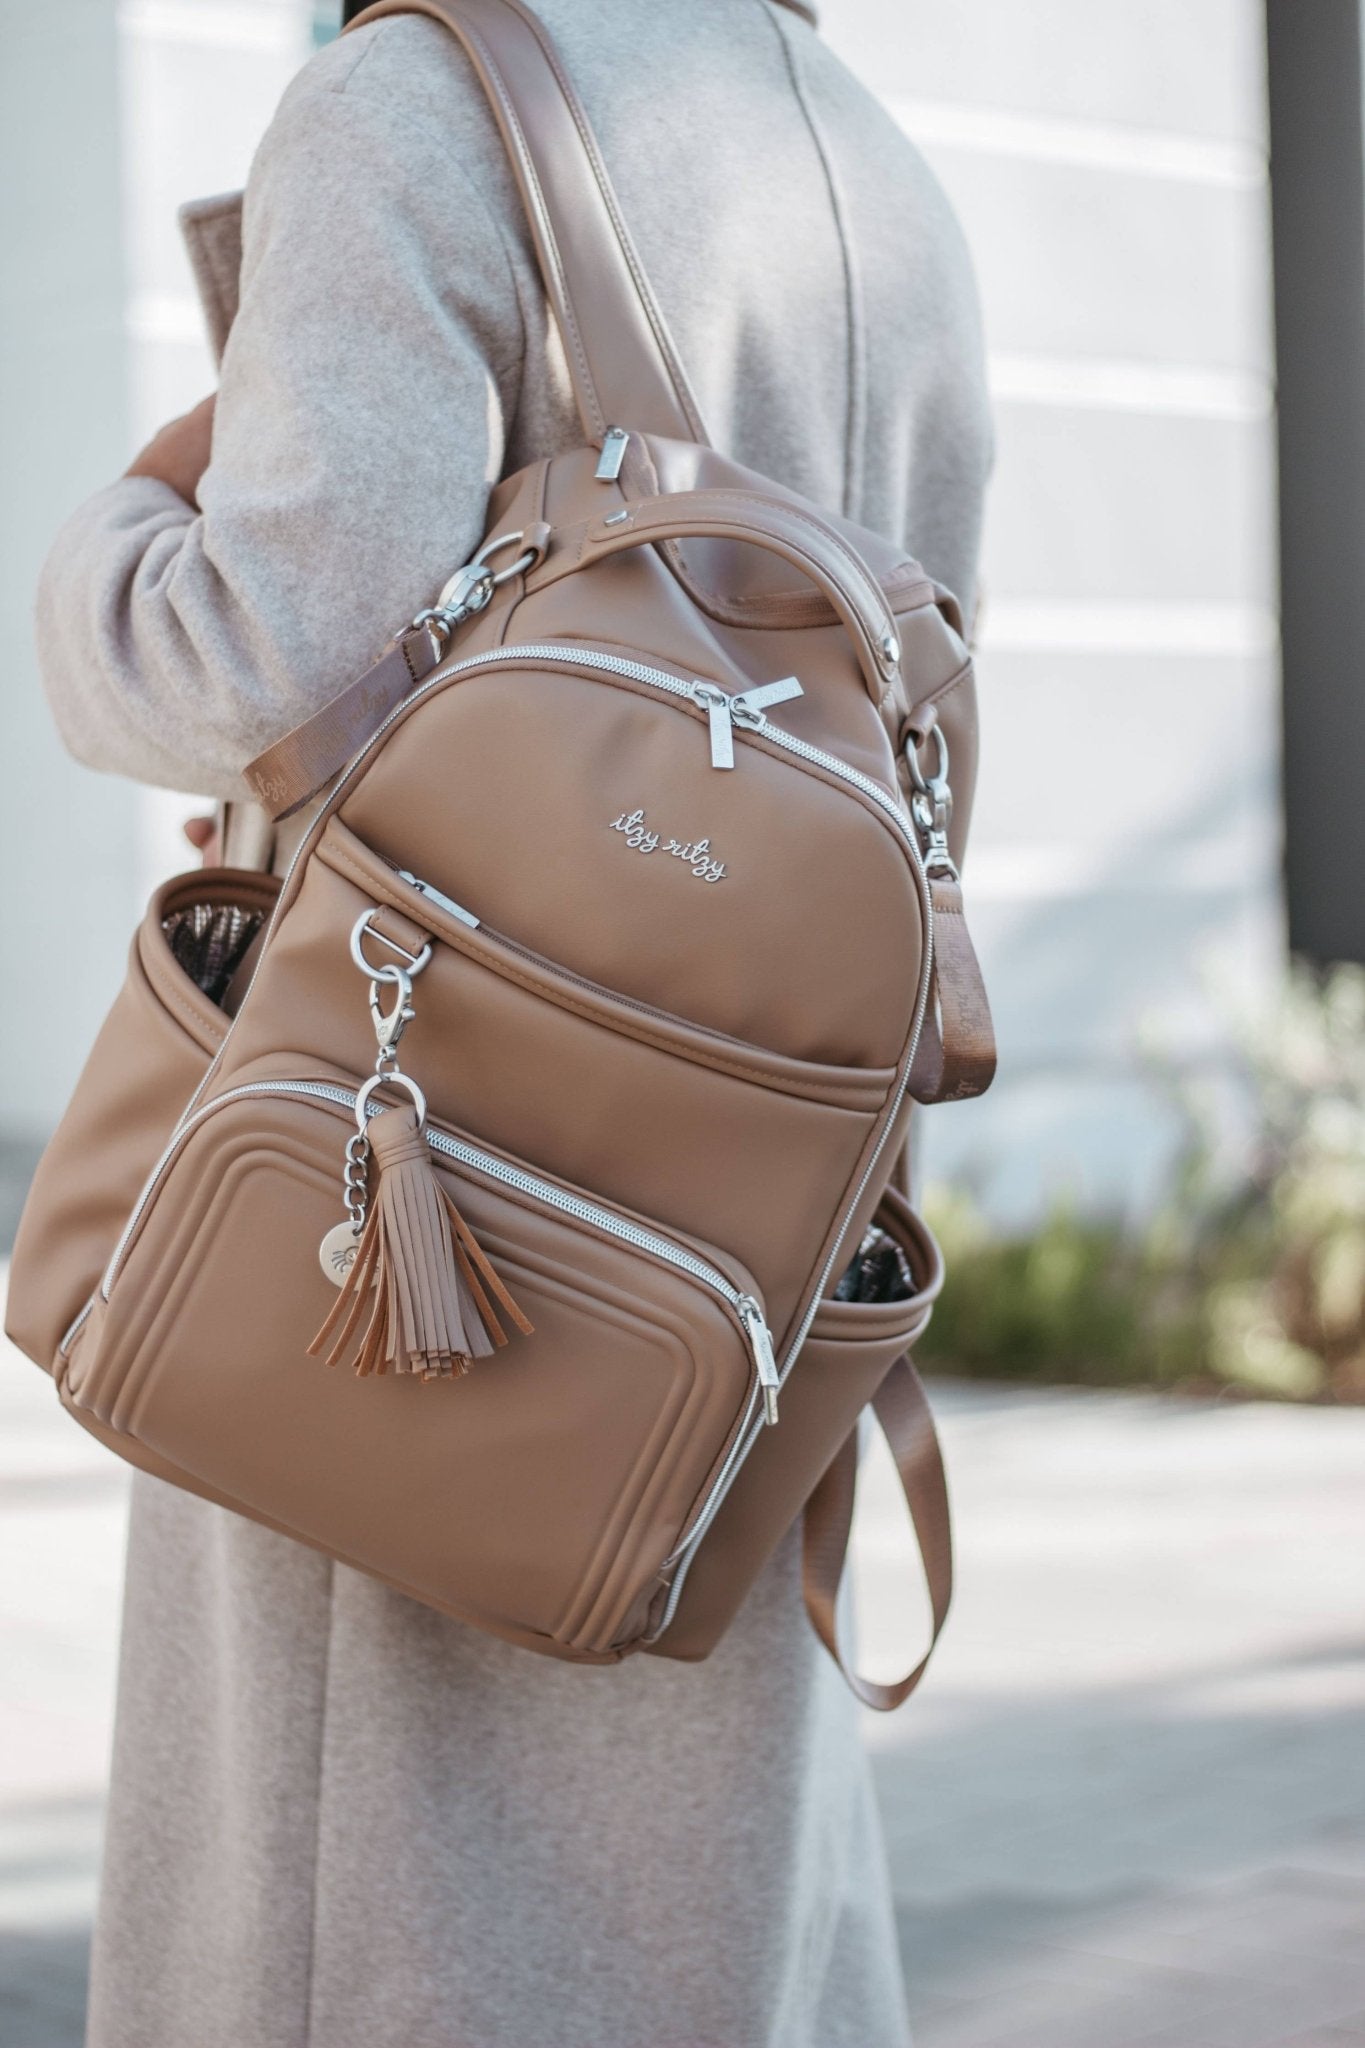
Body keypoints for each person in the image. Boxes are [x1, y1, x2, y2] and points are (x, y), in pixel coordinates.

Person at [36, 4, 990, 2043]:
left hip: (417, 1209)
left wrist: (109, 552)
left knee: (360, 1924)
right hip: (735, 1243)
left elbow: (257, 661)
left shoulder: (420, 107)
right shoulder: (870, 163)